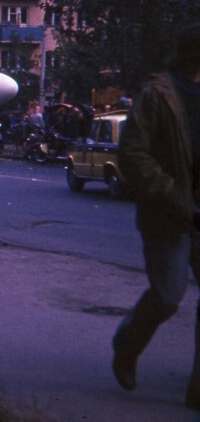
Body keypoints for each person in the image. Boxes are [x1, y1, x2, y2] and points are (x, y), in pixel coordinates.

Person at [112, 23, 200, 409]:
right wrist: (172, 195)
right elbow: (132, 154)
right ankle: (127, 344)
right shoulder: (159, 94)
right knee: (167, 295)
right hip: (171, 212)